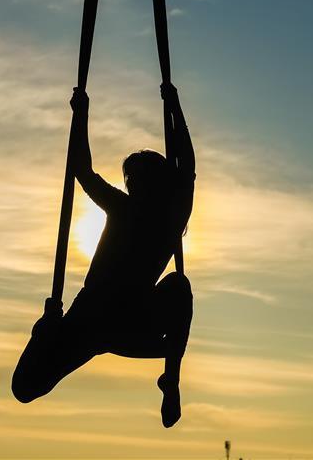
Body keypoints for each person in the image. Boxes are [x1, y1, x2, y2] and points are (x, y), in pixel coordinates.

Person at [12, 83, 195, 427]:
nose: (130, 186)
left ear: (152, 184)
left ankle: (171, 378)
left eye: (135, 181)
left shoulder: (133, 210)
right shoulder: (170, 215)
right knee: (24, 388)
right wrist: (174, 107)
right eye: (130, 182)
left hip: (111, 321)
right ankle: (170, 370)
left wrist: (81, 115)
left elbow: (84, 171)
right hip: (101, 322)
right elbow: (187, 167)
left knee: (179, 287)